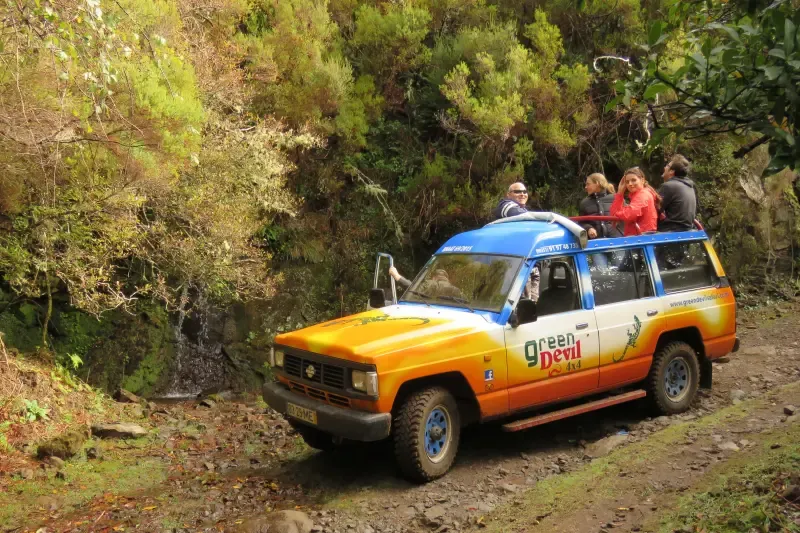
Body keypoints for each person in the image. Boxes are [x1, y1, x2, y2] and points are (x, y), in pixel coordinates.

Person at [610, 167, 661, 236]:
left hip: (642, 238)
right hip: (638, 237)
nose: (630, 184)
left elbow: (630, 214)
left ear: (642, 180)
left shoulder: (643, 194)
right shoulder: (639, 195)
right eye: (627, 182)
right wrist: (620, 193)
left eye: (633, 180)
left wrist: (616, 214)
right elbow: (614, 215)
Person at [658, 154, 698, 232]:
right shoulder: (690, 186)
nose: (664, 167)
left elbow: (656, 209)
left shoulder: (669, 186)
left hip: (671, 230)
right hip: (687, 228)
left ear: (671, 172)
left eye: (667, 166)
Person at [578, 173, 622, 239]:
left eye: (588, 184)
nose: (586, 187)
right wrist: (589, 228)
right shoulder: (584, 203)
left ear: (597, 183)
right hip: (596, 243)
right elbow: (581, 222)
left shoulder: (616, 198)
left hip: (617, 241)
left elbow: (627, 217)